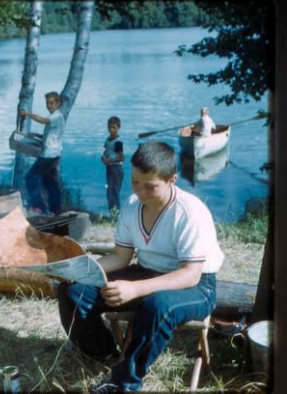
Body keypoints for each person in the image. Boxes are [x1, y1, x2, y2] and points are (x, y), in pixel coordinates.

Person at [57, 141, 223, 393]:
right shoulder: (133, 205)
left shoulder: (189, 212)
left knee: (156, 305)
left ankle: (124, 382)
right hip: (146, 271)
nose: (141, 192)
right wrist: (80, 271)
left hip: (198, 285)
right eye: (135, 182)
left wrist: (135, 289)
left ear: (172, 180)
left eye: (150, 186)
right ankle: (100, 351)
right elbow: (121, 257)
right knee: (73, 290)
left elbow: (190, 274)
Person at [19, 91, 65, 214]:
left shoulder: (56, 116)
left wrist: (27, 113)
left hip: (49, 155)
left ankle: (38, 206)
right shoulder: (56, 118)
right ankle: (55, 209)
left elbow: (43, 120)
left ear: (58, 103)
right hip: (54, 155)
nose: (48, 106)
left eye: (51, 103)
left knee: (31, 178)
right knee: (49, 181)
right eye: (47, 103)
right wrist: (36, 135)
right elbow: (52, 136)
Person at [101, 116, 124, 213]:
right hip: (109, 169)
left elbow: (121, 158)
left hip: (116, 169)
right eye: (109, 127)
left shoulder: (118, 142)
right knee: (109, 192)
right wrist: (103, 158)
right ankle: (112, 214)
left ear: (119, 127)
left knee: (114, 192)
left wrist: (109, 161)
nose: (111, 130)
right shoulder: (108, 139)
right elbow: (105, 151)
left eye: (114, 127)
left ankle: (116, 214)